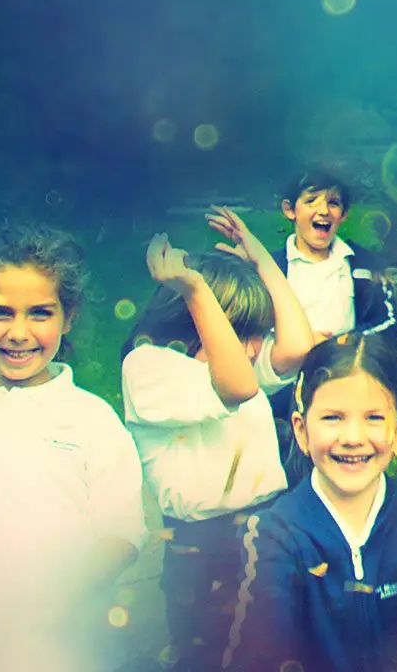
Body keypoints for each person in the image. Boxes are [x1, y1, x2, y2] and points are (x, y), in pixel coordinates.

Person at [121, 209, 317, 672]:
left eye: (255, 334)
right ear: (192, 320)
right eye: (242, 333)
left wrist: (263, 261)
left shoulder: (235, 366)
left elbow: (296, 349)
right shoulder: (149, 368)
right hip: (204, 549)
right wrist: (194, 289)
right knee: (209, 658)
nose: (253, 348)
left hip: (271, 527)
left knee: (281, 653)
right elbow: (237, 386)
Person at [223, 335, 397, 672]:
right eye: (332, 418)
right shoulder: (274, 533)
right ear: (301, 431)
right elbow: (260, 651)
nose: (353, 437)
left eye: (373, 418)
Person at [0, 223, 147, 672]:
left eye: (40, 314)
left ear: (69, 318)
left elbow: (122, 533)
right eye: (1, 313)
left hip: (65, 645)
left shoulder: (93, 420)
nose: (19, 333)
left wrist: (53, 596)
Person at [270, 170, 397, 481]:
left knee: (343, 462)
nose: (323, 210)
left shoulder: (364, 266)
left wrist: (344, 345)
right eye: (311, 201)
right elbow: (251, 328)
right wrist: (297, 343)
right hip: (285, 386)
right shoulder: (271, 268)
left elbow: (388, 323)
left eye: (333, 203)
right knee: (288, 462)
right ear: (290, 210)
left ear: (344, 214)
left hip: (346, 380)